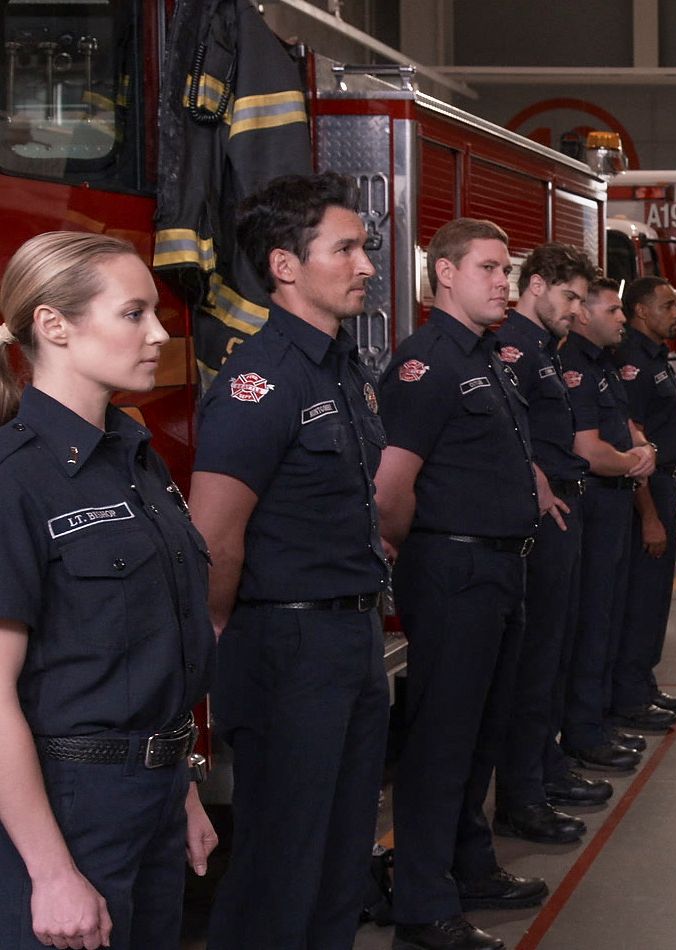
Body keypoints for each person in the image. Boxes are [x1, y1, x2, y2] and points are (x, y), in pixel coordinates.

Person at [0, 231, 218, 949]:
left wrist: (179, 788)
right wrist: (51, 871)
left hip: (151, 796)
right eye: (133, 314)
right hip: (69, 806)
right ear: (53, 325)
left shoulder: (134, 457)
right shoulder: (16, 480)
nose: (159, 333)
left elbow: (144, 654)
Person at [190, 172, 389, 949]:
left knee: (343, 856)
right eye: (345, 248)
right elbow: (215, 536)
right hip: (287, 648)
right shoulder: (259, 380)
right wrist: (216, 642)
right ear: (284, 265)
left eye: (364, 248)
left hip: (350, 639)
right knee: (283, 863)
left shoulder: (343, 369)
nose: (366, 264)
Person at [375, 218, 546, 950]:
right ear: (444, 274)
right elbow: (392, 486)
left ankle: (469, 865)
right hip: (454, 569)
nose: (503, 282)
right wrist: (423, 549)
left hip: (500, 567)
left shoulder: (492, 360)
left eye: (507, 270)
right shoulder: (425, 363)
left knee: (482, 732)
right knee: (442, 739)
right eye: (490, 268)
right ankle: (421, 902)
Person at [490, 242, 602, 844]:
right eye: (569, 297)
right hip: (542, 515)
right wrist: (533, 476)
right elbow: (505, 429)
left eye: (583, 300)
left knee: (554, 654)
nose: (577, 311)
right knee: (533, 664)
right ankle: (523, 795)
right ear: (534, 286)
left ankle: (545, 767)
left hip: (564, 505)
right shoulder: (511, 348)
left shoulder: (542, 349)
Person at [560, 280, 657, 769]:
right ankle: (583, 731)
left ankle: (598, 721)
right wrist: (635, 461)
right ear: (582, 316)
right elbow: (590, 451)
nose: (623, 318)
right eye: (614, 309)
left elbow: (628, 428)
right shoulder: (575, 366)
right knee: (592, 621)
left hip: (615, 505)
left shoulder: (603, 364)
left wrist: (641, 450)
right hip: (595, 506)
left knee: (610, 619)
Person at [609, 276, 676, 732]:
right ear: (640, 311)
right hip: (645, 485)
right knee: (640, 599)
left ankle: (643, 682)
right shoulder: (630, 363)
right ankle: (629, 696)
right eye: (668, 306)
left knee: (656, 597)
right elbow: (630, 442)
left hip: (663, 484)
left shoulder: (656, 357)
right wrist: (650, 515)